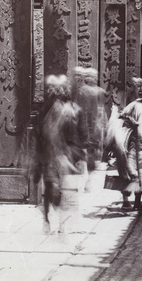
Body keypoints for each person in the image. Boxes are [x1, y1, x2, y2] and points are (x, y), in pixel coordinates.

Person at [38, 75, 82, 234]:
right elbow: (41, 134)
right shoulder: (48, 108)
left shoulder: (70, 109)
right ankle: (48, 220)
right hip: (50, 155)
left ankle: (59, 224)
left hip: (62, 155)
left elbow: (73, 135)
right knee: (51, 189)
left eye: (62, 88)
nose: (57, 91)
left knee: (58, 190)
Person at [118, 84, 142, 210]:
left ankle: (126, 201)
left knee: (129, 171)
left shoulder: (134, 104)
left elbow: (122, 115)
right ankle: (137, 203)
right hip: (138, 145)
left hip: (129, 143)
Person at [74, 67, 107, 191]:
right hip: (87, 126)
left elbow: (90, 113)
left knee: (84, 155)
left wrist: (90, 131)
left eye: (79, 75)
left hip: (86, 127)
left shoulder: (85, 92)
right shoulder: (82, 91)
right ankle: (86, 181)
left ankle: (85, 182)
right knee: (86, 155)